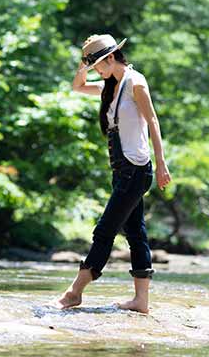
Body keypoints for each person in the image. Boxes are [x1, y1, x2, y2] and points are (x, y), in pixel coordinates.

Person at [56, 34, 171, 314]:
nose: (97, 71)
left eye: (98, 65)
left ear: (111, 58)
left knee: (105, 229)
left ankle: (74, 293)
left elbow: (153, 120)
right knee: (136, 233)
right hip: (122, 171)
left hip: (136, 169)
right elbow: (78, 86)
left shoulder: (136, 83)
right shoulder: (111, 85)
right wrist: (84, 63)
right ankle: (141, 301)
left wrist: (162, 163)